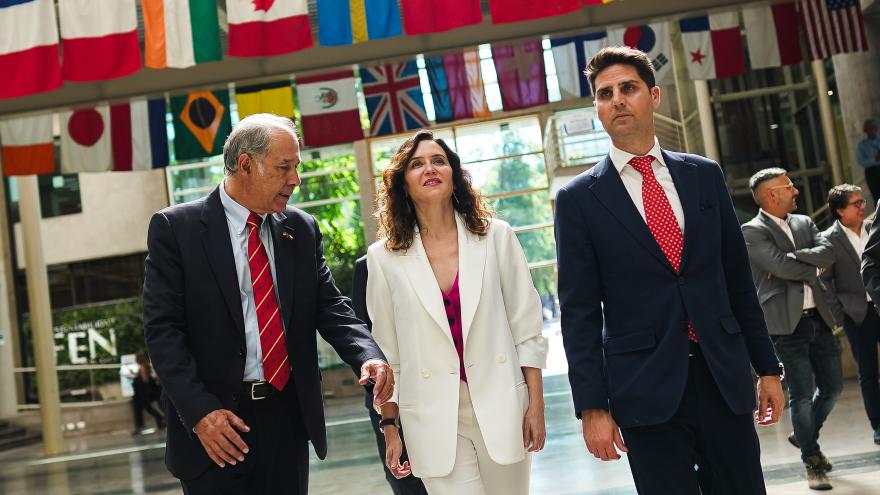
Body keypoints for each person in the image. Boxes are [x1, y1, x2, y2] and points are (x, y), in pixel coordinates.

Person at [554, 46, 784, 495]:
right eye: (605, 93)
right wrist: (592, 407)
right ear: (597, 108)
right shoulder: (579, 199)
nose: (617, 99)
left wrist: (767, 366)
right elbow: (579, 312)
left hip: (723, 376)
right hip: (644, 387)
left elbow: (738, 282)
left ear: (653, 96)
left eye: (628, 88)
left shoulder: (703, 176)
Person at [142, 113, 393, 494]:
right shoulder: (177, 229)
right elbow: (163, 331)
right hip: (217, 424)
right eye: (284, 167)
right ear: (245, 164)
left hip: (286, 416)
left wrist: (367, 355)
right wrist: (201, 414)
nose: (295, 179)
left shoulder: (301, 229)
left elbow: (331, 306)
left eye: (297, 167)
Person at [367, 130, 548, 494]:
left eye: (438, 160)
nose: (429, 168)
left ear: (454, 175)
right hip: (432, 417)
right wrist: (390, 427)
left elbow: (526, 329)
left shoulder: (497, 237)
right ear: (402, 182)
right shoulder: (383, 259)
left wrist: (536, 406)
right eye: (416, 164)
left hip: (502, 406)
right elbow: (388, 353)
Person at [742, 168, 841, 490]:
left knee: (833, 387)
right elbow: (777, 266)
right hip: (785, 325)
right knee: (800, 395)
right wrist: (808, 266)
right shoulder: (752, 231)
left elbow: (830, 252)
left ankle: (802, 435)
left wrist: (795, 258)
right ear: (772, 194)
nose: (796, 191)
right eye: (789, 187)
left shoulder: (805, 223)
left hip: (819, 317)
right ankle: (813, 461)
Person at [351, 255, 428, 495]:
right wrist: (381, 397)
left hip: (435, 386)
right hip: (385, 392)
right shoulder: (368, 265)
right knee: (403, 477)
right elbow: (362, 337)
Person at [824, 185, 880, 447]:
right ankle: (878, 426)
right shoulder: (829, 239)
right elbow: (825, 282)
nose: (862, 207)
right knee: (868, 373)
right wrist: (839, 315)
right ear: (839, 211)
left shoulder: (873, 228)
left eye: (862, 202)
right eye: (855, 203)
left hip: (879, 305)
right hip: (857, 315)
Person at [129, 352, 164, 435]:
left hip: (142, 391)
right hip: (145, 391)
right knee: (146, 407)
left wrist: (135, 377)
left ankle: (160, 419)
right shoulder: (146, 365)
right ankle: (159, 421)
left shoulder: (142, 367)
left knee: (147, 407)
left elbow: (144, 379)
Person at [857, 119, 880, 203]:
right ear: (865, 130)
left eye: (874, 128)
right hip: (872, 172)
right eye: (869, 128)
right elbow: (861, 161)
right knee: (877, 196)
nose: (872, 130)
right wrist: (875, 159)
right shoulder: (862, 145)